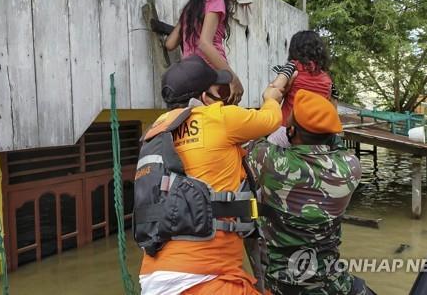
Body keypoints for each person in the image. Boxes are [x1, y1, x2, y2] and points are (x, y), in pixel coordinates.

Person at [138, 55, 285, 295]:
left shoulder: (156, 131)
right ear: (205, 97)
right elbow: (272, 119)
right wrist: (270, 99)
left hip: (155, 276)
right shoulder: (219, 117)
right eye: (220, 89)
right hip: (201, 279)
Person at [247, 89, 375, 295]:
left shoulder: (269, 161)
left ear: (291, 132)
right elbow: (334, 143)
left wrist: (270, 101)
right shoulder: (351, 167)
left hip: (280, 283)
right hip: (330, 280)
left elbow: (256, 135)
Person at [165, 0, 245, 105]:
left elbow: (170, 44)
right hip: (213, 74)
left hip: (190, 75)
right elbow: (205, 44)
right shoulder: (217, 1)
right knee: (224, 120)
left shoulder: (190, 7)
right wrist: (233, 78)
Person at [271, 30, 334, 126]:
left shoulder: (293, 68)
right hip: (313, 131)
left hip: (288, 130)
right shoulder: (326, 78)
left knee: (265, 139)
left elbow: (275, 89)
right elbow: (332, 106)